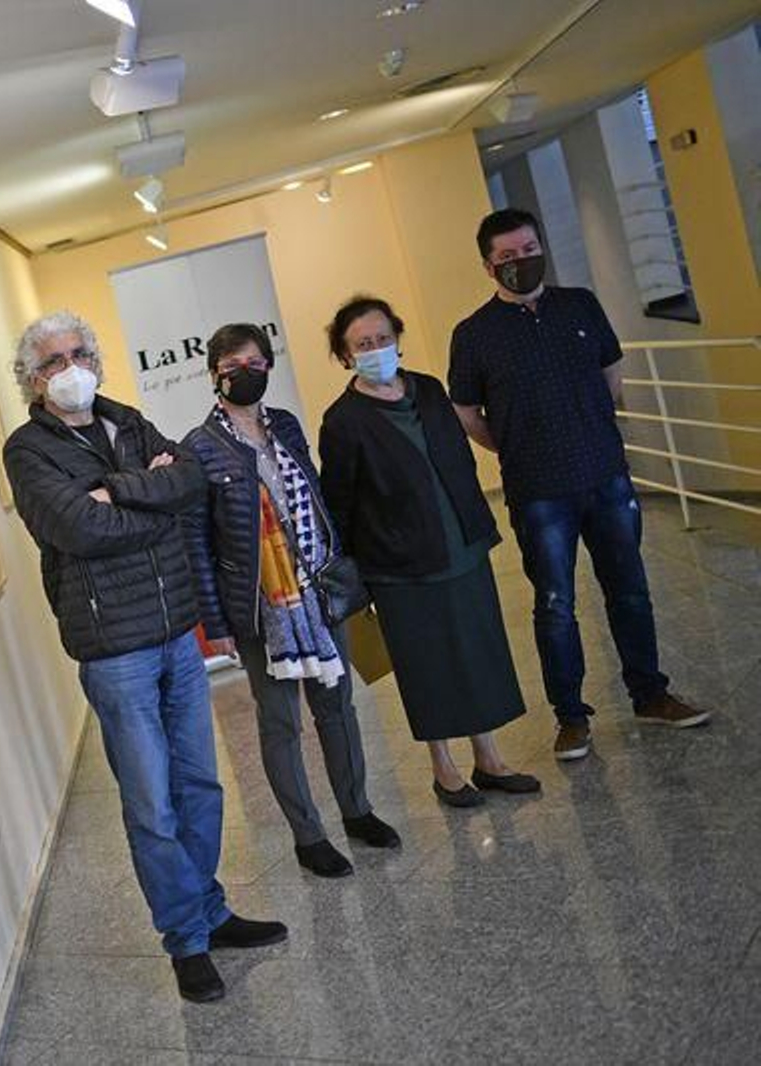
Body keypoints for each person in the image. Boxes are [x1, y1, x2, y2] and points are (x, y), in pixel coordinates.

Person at [4, 310, 286, 1003]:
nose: (68, 369)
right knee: (152, 803)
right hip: (115, 649)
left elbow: (188, 481)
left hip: (175, 633)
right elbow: (79, 527)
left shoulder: (125, 419)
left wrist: (122, 489)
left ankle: (211, 910)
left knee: (200, 786)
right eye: (51, 363)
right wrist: (143, 499)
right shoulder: (28, 450)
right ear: (32, 382)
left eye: (77, 353)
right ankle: (185, 941)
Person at [448, 209, 710, 761]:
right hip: (539, 489)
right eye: (507, 257)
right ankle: (571, 717)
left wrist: (592, 423)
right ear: (487, 266)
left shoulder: (580, 305)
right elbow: (467, 412)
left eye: (529, 248)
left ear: (541, 246)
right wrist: (514, 445)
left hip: (606, 475)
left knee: (630, 590)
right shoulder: (473, 335)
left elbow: (611, 372)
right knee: (555, 604)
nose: (521, 261)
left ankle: (651, 694)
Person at [181, 324, 399, 879]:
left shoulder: (286, 426)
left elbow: (317, 498)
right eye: (234, 365)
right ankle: (309, 836)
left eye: (256, 362)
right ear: (215, 375)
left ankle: (358, 810)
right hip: (260, 607)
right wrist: (216, 622)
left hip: (318, 588)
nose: (247, 372)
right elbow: (200, 547)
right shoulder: (199, 448)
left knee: (338, 706)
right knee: (280, 722)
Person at [318, 296, 539, 807]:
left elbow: (458, 458)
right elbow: (341, 503)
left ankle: (489, 759)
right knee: (428, 667)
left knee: (479, 651)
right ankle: (444, 770)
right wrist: (360, 575)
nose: (376, 350)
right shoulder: (343, 421)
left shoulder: (430, 390)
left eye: (382, 339)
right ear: (346, 356)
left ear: (397, 337)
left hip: (461, 544)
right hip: (400, 567)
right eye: (362, 344)